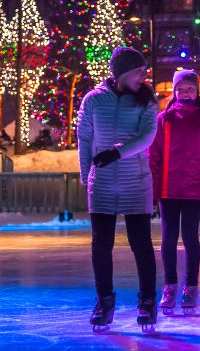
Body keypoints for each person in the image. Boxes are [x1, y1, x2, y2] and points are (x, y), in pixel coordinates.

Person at [77, 47, 160, 332]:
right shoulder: (93, 100)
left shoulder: (146, 101)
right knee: (101, 245)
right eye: (138, 71)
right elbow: (84, 138)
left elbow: (147, 136)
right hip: (101, 184)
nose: (143, 76)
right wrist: (85, 172)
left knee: (141, 243)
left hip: (135, 182)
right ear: (122, 72)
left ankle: (148, 301)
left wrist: (117, 153)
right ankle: (105, 301)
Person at [148, 69, 200, 316]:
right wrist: (151, 194)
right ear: (174, 91)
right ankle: (170, 286)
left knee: (190, 237)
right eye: (180, 89)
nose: (185, 92)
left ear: (197, 90)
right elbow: (154, 157)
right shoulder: (164, 120)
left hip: (193, 190)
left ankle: (190, 286)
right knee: (169, 238)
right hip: (168, 190)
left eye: (189, 88)